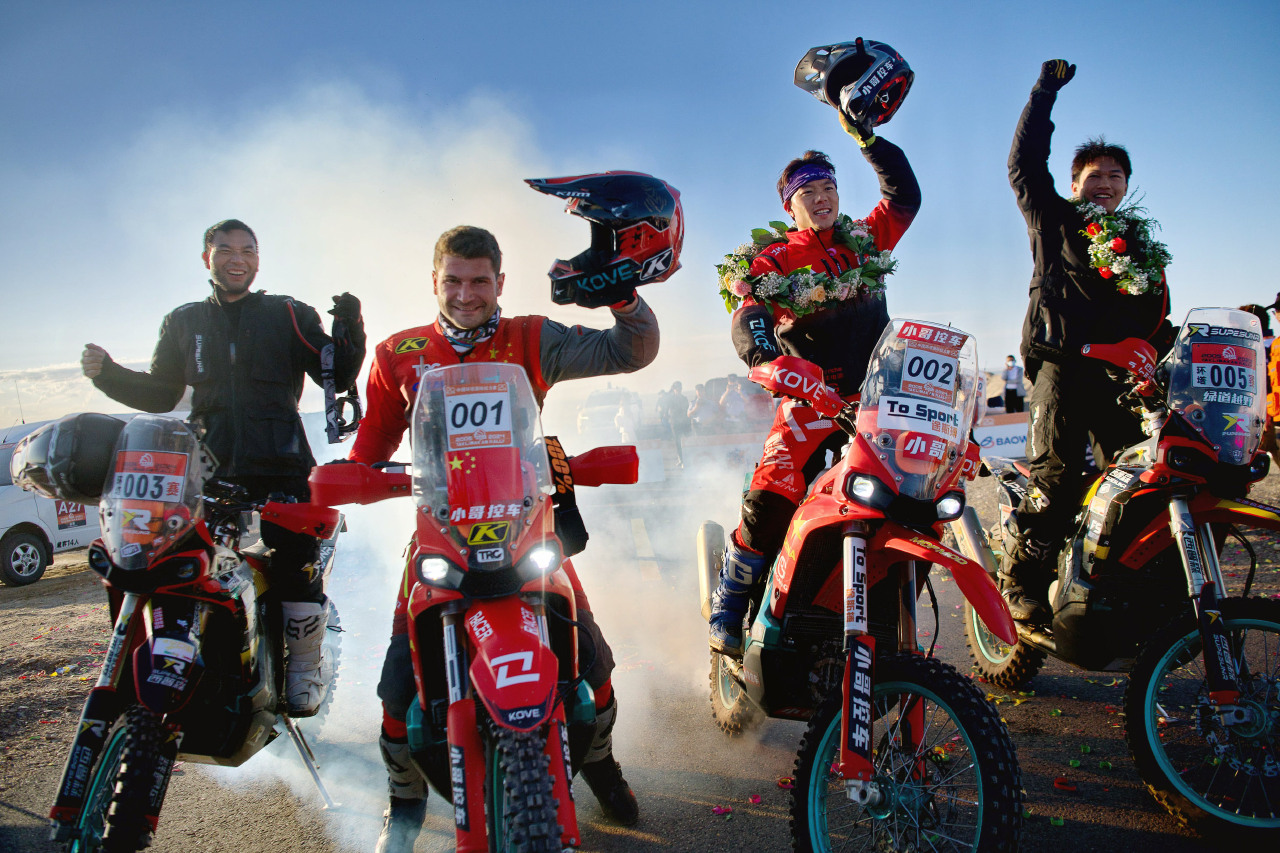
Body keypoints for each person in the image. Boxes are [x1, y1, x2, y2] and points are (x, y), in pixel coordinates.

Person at [351, 215, 674, 850]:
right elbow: (373, 444)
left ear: (500, 282)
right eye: (453, 281)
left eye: (479, 281)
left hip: (526, 526)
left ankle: (601, 765)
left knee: (596, 667)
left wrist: (621, 294)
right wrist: (350, 478)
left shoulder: (532, 336)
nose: (465, 294)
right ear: (433, 281)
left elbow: (631, 350)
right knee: (396, 688)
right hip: (439, 536)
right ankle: (405, 804)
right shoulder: (396, 354)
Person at [81, 218, 366, 714]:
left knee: (296, 567)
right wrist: (108, 375)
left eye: (248, 250)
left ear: (258, 259)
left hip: (283, 467)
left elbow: (336, 373)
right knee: (184, 568)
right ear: (206, 258)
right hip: (208, 471)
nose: (238, 259)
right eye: (226, 249)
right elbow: (162, 393)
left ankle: (304, 667)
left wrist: (349, 327)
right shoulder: (183, 320)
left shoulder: (287, 313)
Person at [707, 102, 921, 657]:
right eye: (808, 192)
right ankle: (730, 598)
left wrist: (868, 138)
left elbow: (904, 197)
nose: (821, 198)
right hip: (809, 400)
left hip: (875, 401)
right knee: (771, 495)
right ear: (789, 204)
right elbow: (749, 311)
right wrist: (761, 355)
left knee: (920, 493)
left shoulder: (865, 239)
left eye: (828, 187)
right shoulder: (774, 258)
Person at [1001, 60, 1174, 624]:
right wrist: (1044, 93)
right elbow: (1025, 164)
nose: (1105, 183)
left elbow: (1157, 318)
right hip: (1061, 369)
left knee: (1134, 481)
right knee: (1056, 479)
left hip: (1118, 383)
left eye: (1116, 176)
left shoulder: (1139, 246)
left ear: (1127, 186)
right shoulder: (1053, 221)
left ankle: (1108, 585)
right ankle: (1019, 582)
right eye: (1094, 175)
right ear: (1075, 184)